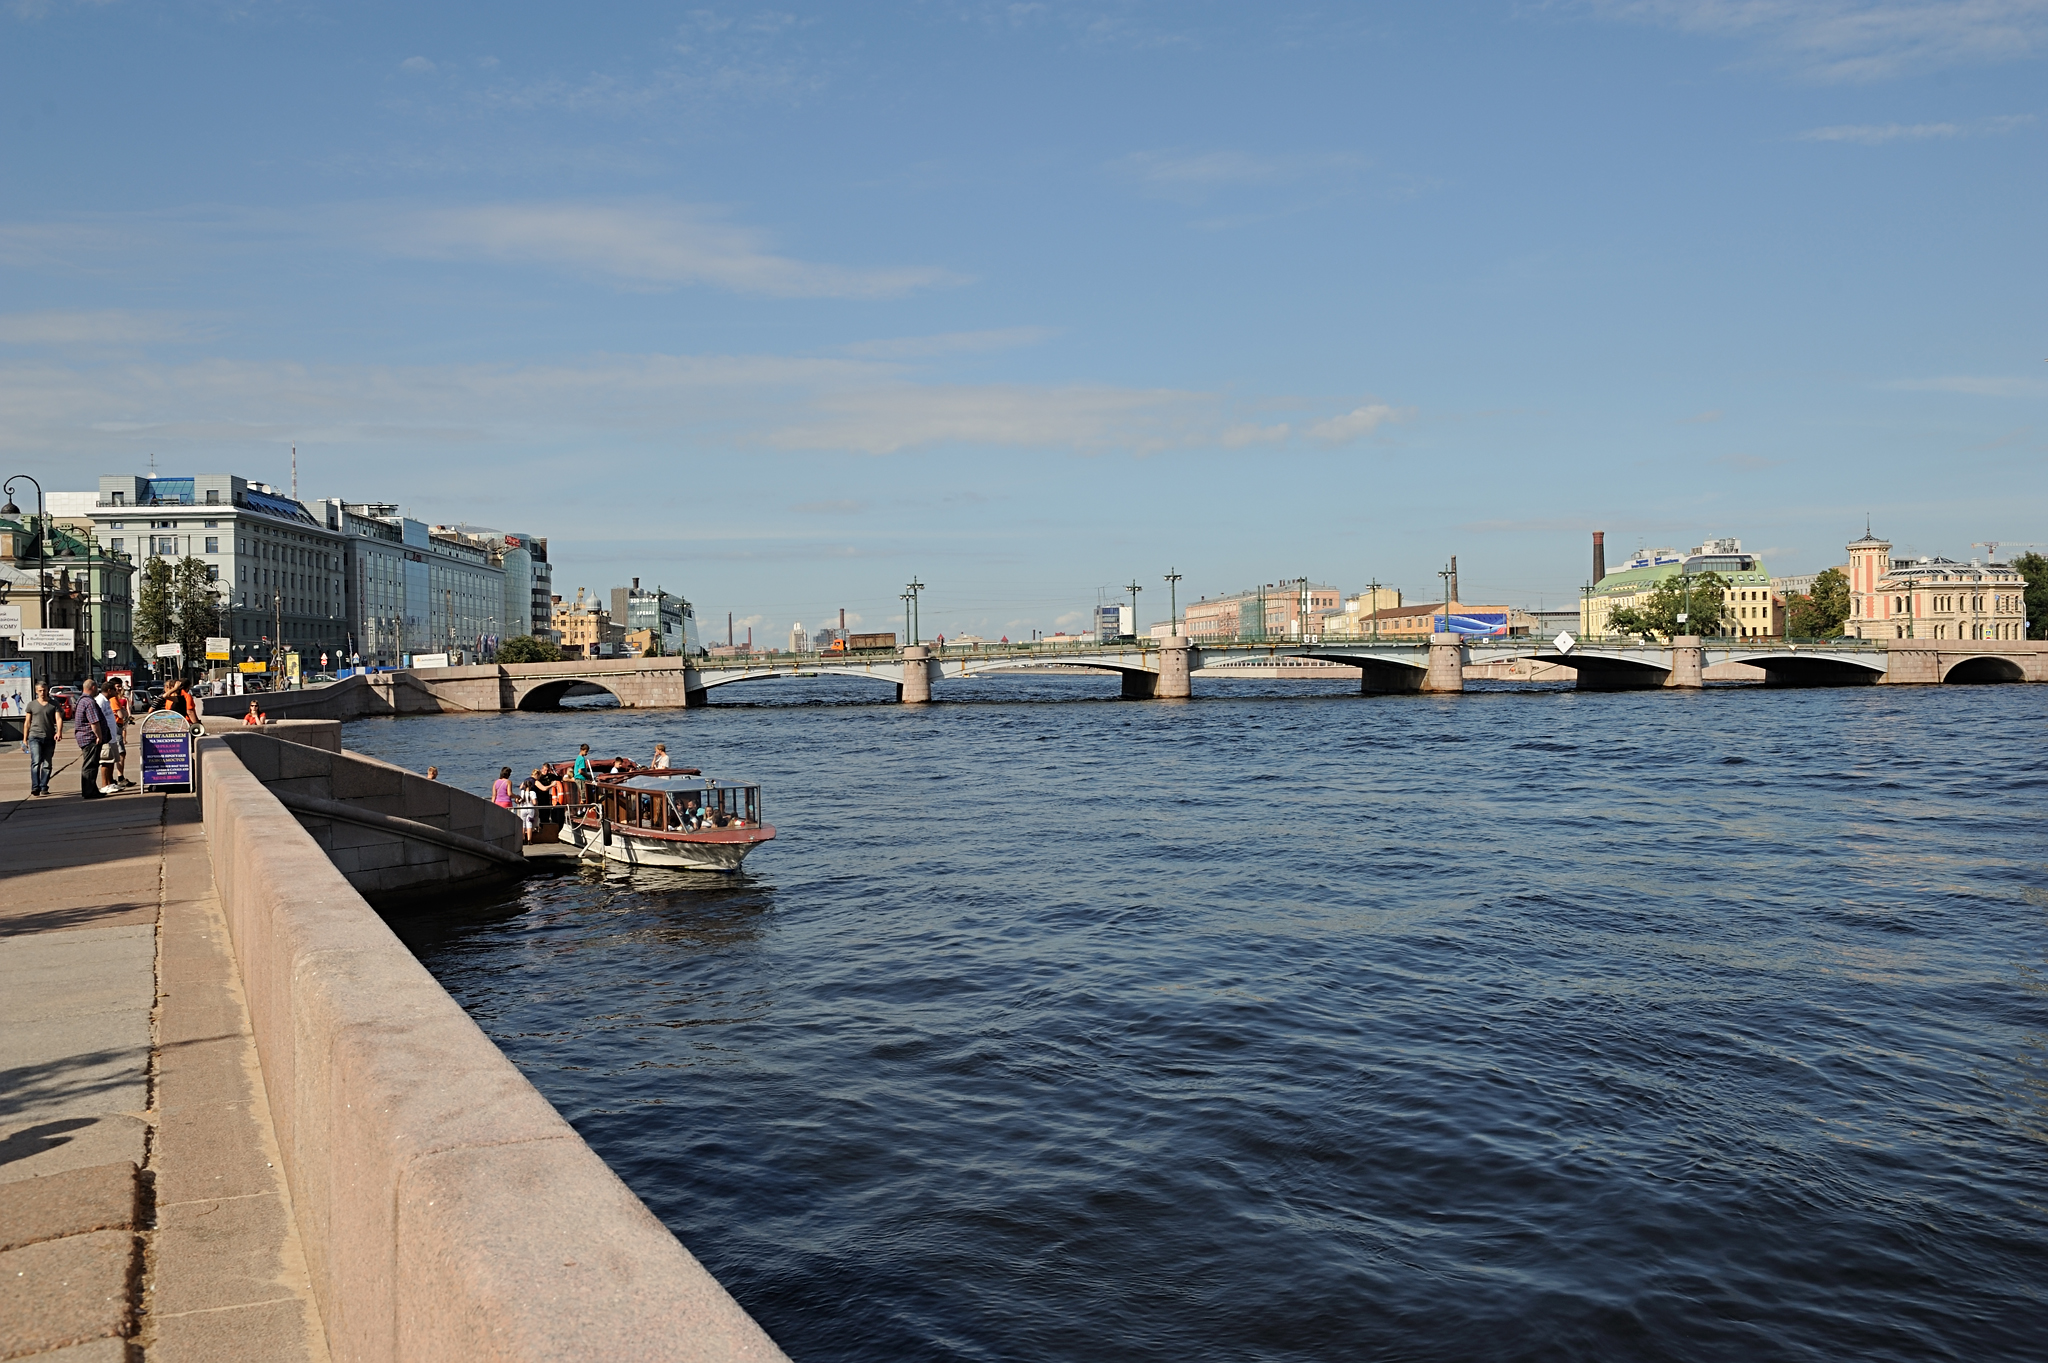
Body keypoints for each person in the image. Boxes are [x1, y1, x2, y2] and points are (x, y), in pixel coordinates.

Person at [74, 678, 116, 798]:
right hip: (90, 738)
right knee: (90, 765)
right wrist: (99, 736)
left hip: (84, 737)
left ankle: (92, 789)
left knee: (91, 765)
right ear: (92, 688)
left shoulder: (81, 700)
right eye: (96, 687)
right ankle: (89, 791)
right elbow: (94, 722)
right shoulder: (89, 702)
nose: (97, 689)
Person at [24, 680, 62, 797]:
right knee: (36, 762)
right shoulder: (32, 704)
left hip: (49, 737)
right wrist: (25, 739)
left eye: (44, 690)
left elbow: (58, 719)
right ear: (36, 691)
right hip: (34, 736)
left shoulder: (54, 704)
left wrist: (59, 732)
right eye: (40, 690)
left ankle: (44, 786)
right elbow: (27, 722)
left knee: (47, 763)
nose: (42, 692)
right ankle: (35, 787)